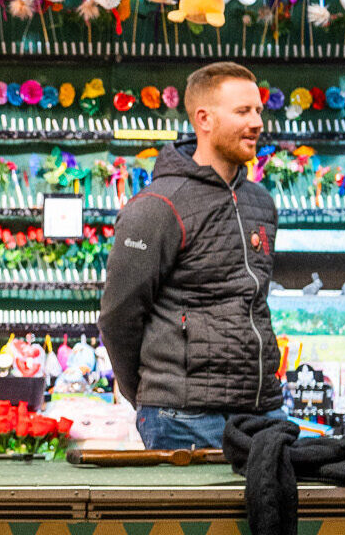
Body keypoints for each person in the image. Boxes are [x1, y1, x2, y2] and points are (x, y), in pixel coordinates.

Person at [98, 60, 281, 450]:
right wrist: (151, 394)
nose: (257, 122)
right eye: (242, 111)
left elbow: (254, 302)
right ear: (204, 119)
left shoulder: (260, 203)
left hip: (262, 412)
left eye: (259, 110)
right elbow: (119, 315)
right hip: (183, 418)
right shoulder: (158, 205)